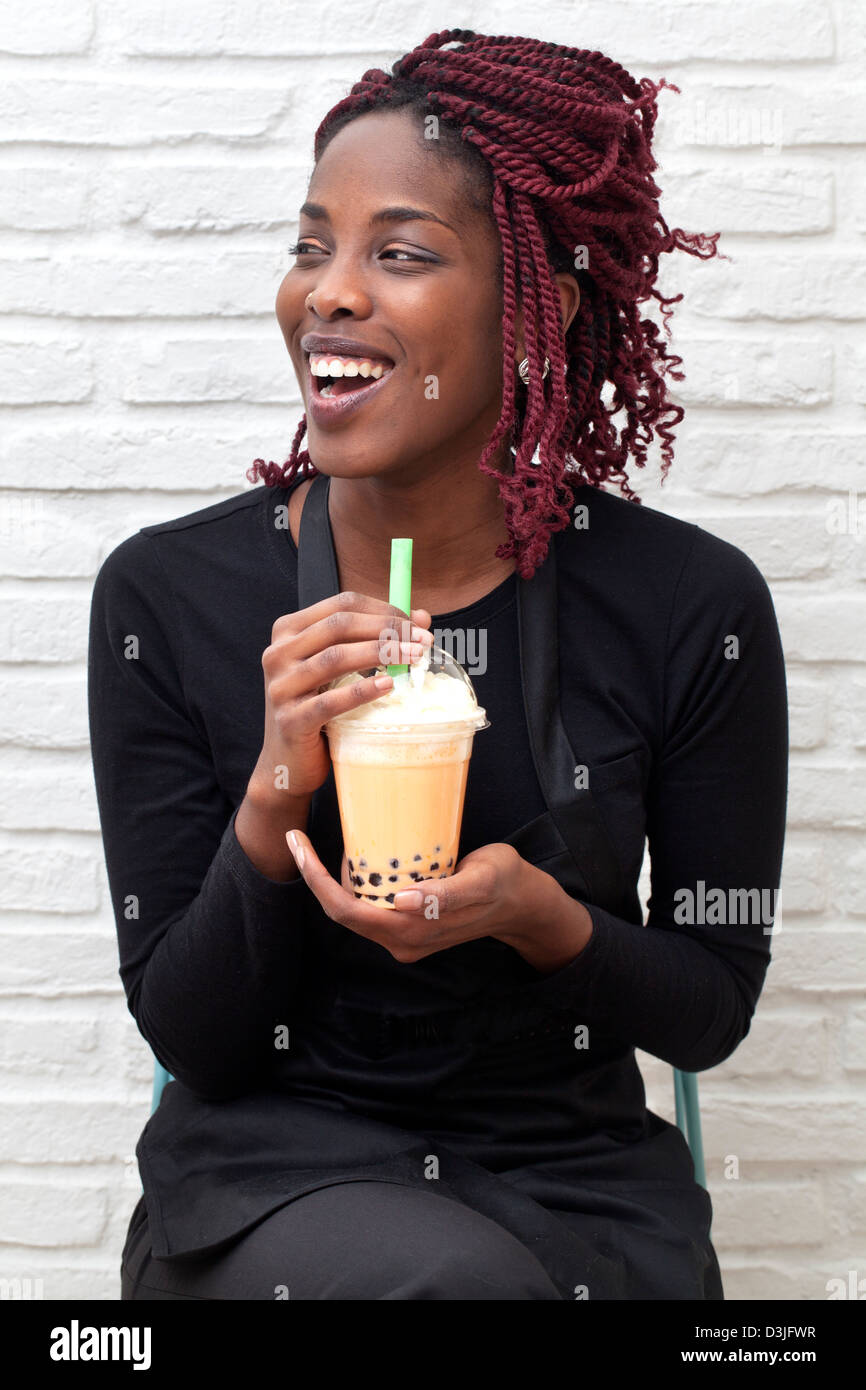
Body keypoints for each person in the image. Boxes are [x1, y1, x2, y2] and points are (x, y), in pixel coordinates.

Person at [88, 29, 788, 1300]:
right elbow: (189, 1033)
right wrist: (272, 797)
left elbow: (706, 1008)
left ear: (538, 308)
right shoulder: (171, 597)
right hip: (272, 1179)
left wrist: (544, 920)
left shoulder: (686, 606)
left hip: (564, 1181)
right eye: (312, 246)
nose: (329, 293)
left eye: (397, 253)